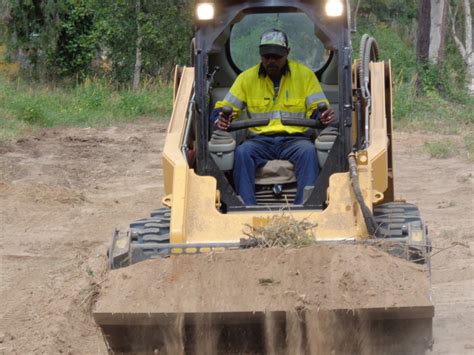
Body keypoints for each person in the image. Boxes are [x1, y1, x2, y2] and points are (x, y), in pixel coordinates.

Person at [211, 29, 336, 205]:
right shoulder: (246, 79)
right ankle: (246, 208)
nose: (271, 61)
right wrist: (221, 118)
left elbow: (317, 108)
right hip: (259, 141)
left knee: (309, 152)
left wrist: (322, 116)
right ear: (260, 54)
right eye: (267, 56)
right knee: (242, 153)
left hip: (294, 140)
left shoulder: (305, 76)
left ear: (287, 53)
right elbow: (224, 108)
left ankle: (307, 207)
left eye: (276, 57)